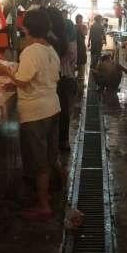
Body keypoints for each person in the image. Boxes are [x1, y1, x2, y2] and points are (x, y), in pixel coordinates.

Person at [1, 9, 61, 220]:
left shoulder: (31, 51)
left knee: (38, 161)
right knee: (48, 156)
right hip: (52, 107)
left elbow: (23, 81)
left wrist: (7, 71)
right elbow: (47, 78)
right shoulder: (50, 50)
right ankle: (47, 196)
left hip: (35, 112)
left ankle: (43, 205)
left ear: (27, 28)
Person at [57, 9, 77, 151]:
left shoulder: (60, 43)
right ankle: (63, 140)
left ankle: (60, 141)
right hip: (68, 78)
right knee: (65, 110)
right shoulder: (70, 43)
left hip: (62, 78)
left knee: (61, 111)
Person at [75, 14, 88, 80]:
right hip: (75, 45)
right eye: (77, 19)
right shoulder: (74, 26)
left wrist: (80, 28)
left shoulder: (84, 26)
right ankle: (76, 74)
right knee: (76, 60)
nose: (79, 21)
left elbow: (85, 33)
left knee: (82, 60)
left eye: (80, 19)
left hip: (82, 45)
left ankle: (81, 75)